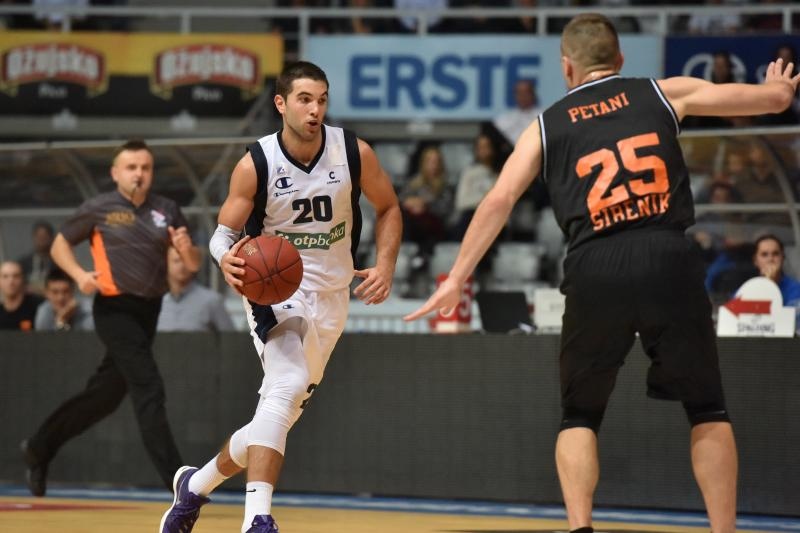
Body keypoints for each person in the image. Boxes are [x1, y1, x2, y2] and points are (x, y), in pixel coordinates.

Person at [405, 14, 800, 533]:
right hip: (667, 255)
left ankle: (581, 527)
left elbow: (498, 199)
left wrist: (456, 276)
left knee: (580, 415)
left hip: (595, 264)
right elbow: (769, 103)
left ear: (567, 67)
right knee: (708, 409)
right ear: (619, 60)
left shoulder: (545, 124)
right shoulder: (662, 92)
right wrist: (776, 87)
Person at [159, 61, 402, 533]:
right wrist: (224, 258)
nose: (316, 110)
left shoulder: (353, 152)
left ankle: (194, 487)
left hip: (333, 296)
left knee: (276, 417)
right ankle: (258, 519)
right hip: (275, 291)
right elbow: (222, 234)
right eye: (305, 99)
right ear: (281, 104)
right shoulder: (257, 163)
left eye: (322, 100)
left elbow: (389, 207)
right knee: (287, 381)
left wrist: (386, 263)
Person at [21, 139, 201, 497]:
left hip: (149, 309)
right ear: (115, 172)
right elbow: (59, 244)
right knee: (148, 386)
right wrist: (79, 276)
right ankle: (179, 481)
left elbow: (193, 264)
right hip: (114, 309)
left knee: (105, 396)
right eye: (131, 167)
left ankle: (38, 448)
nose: (139, 174)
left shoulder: (167, 210)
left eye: (145, 168)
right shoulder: (99, 208)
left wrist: (185, 249)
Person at [157, 246, 236, 333]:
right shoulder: (157, 302)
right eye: (176, 260)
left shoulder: (211, 301)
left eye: (186, 260)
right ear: (166, 264)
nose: (182, 265)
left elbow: (230, 339)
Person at [34, 267, 94, 331]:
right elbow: (43, 340)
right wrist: (61, 320)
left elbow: (87, 338)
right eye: (55, 292)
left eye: (65, 291)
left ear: (73, 291)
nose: (60, 297)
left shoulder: (87, 309)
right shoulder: (44, 312)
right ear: (46, 293)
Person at [751, 234, 800, 310]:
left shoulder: (797, 290)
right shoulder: (747, 290)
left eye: (775, 254)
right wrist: (768, 284)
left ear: (783, 258)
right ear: (755, 261)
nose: (770, 259)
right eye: (764, 255)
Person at [492, 79, 542, 147]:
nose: (523, 96)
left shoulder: (543, 116)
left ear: (533, 94)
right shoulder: (504, 119)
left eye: (526, 92)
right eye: (519, 93)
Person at [0, 260, 43, 331]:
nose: (11, 281)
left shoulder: (38, 308)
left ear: (23, 279)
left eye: (16, 276)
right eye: (5, 276)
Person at [16, 220, 55, 295]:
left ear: (51, 238)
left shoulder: (58, 263)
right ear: (34, 237)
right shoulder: (22, 263)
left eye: (45, 237)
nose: (41, 240)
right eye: (39, 237)